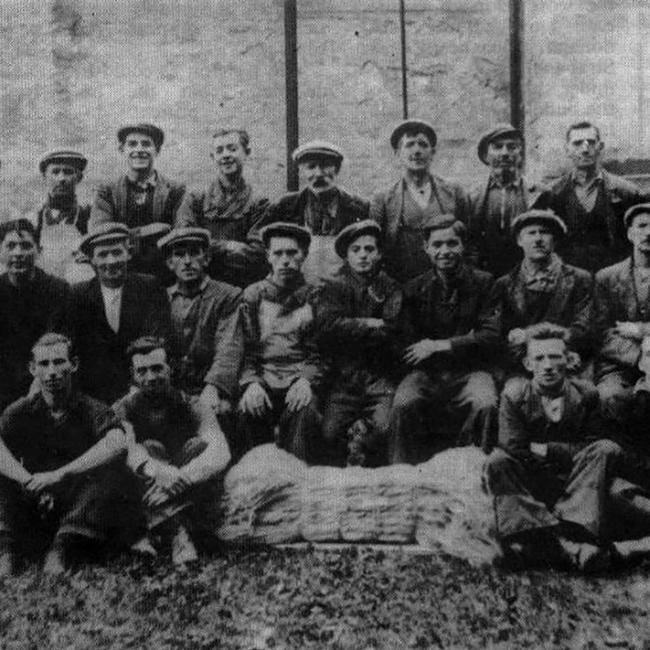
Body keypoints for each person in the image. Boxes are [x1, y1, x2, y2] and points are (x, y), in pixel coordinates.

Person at [483, 323, 620, 571]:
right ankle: (563, 544)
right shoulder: (514, 394)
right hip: (531, 480)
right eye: (539, 358)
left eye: (555, 357)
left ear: (568, 361)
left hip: (575, 482)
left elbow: (590, 445)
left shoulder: (586, 393)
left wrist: (545, 449)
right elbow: (514, 448)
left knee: (606, 448)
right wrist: (561, 454)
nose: (547, 365)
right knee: (498, 461)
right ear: (527, 364)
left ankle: (566, 532)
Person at [0, 333, 129, 576]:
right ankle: (5, 552)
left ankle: (62, 550)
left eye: (59, 362)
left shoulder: (91, 408)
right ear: (32, 369)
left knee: (109, 470)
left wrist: (59, 475)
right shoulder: (20, 411)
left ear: (74, 364)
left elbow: (117, 442)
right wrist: (25, 479)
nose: (52, 372)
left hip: (77, 507)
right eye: (44, 364)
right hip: (33, 503)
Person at [388, 214, 499, 464]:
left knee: (485, 403)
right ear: (426, 248)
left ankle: (478, 475)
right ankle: (402, 477)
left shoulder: (484, 283)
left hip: (471, 370)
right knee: (404, 403)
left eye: (452, 243)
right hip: (427, 374)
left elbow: (490, 335)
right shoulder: (413, 289)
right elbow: (406, 341)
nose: (445, 251)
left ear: (464, 246)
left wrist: (440, 345)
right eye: (437, 245)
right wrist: (467, 339)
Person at [114, 337, 231, 566]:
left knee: (197, 446)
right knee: (148, 449)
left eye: (157, 368)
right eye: (142, 371)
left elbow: (221, 451)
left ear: (170, 369)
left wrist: (182, 479)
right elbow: (127, 449)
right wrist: (157, 470)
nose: (150, 378)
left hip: (183, 488)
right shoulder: (124, 408)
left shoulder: (191, 404)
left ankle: (163, 530)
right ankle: (178, 532)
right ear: (133, 374)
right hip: (147, 488)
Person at [316, 220, 402, 467]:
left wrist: (349, 327)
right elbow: (327, 329)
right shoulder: (333, 286)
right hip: (344, 376)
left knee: (385, 429)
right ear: (346, 255)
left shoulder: (390, 286)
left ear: (379, 253)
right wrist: (369, 323)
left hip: (380, 375)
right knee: (329, 433)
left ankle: (363, 441)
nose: (363, 255)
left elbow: (392, 330)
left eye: (369, 249)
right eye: (356, 250)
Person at [157, 227, 244, 458]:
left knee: (221, 414)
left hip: (210, 387)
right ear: (169, 263)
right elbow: (156, 347)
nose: (187, 261)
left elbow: (229, 346)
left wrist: (214, 387)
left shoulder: (228, 296)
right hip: (173, 388)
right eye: (179, 254)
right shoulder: (162, 298)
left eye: (195, 253)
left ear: (206, 258)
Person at [238, 222, 322, 461]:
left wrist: (306, 380)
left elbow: (320, 352)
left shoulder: (315, 295)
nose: (285, 260)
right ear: (268, 256)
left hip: (299, 378)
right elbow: (245, 350)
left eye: (292, 253)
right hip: (263, 376)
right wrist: (251, 383)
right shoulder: (253, 295)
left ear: (304, 255)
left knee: (305, 414)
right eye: (278, 253)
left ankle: (297, 487)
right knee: (247, 412)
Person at [71, 222, 170, 405]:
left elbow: (155, 338)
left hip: (143, 388)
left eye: (117, 252)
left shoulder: (150, 287)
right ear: (91, 259)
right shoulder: (79, 295)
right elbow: (77, 347)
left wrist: (136, 387)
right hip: (92, 392)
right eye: (102, 255)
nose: (111, 261)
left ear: (129, 254)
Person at [490, 209, 594, 373]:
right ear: (519, 240)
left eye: (544, 233)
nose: (538, 239)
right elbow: (500, 335)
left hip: (569, 362)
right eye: (531, 233)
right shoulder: (504, 284)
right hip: (521, 366)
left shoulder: (580, 279)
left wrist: (530, 336)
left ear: (555, 240)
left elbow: (584, 328)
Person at [252, 141, 368, 283]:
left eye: (325, 165)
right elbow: (257, 239)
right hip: (296, 287)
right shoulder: (285, 206)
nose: (318, 174)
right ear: (302, 172)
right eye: (311, 167)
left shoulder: (358, 207)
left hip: (343, 287)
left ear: (336, 169)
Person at [370, 119, 470, 282]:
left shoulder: (454, 192)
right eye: (409, 145)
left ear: (433, 152)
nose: (416, 151)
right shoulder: (383, 199)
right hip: (402, 284)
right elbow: (376, 248)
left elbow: (469, 241)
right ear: (397, 153)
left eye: (423, 145)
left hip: (446, 283)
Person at [547, 121, 646, 273]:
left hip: (612, 280)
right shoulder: (553, 193)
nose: (585, 149)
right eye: (577, 143)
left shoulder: (626, 192)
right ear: (567, 149)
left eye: (591, 143)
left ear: (600, 147)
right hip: (569, 280)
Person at [175, 128, 270, 287]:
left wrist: (209, 247)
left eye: (232, 149)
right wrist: (230, 246)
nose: (226, 155)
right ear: (213, 157)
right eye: (219, 151)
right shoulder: (196, 198)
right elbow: (184, 240)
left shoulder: (259, 202)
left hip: (244, 285)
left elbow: (258, 254)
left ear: (246, 153)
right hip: (201, 286)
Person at [90, 122, 185, 279]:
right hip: (120, 272)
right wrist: (144, 231)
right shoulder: (107, 190)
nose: (139, 150)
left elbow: (180, 232)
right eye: (132, 144)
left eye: (146, 144)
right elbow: (101, 232)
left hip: (163, 272)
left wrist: (126, 235)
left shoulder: (175, 190)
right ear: (123, 150)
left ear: (157, 150)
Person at [0, 219, 72, 410]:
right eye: (11, 246)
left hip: (48, 381)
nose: (18, 253)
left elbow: (59, 342)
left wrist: (39, 384)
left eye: (25, 246)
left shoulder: (58, 290)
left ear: (38, 250)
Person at [467, 124, 551, 277]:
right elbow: (470, 242)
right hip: (485, 275)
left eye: (512, 147)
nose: (505, 153)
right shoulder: (471, 197)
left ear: (520, 154)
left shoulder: (540, 194)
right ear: (486, 155)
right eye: (498, 147)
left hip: (528, 274)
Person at [593, 203, 650, 423]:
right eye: (642, 226)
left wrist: (641, 330)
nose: (648, 232)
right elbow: (600, 331)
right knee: (611, 397)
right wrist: (638, 357)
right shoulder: (607, 277)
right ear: (629, 233)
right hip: (619, 364)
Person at [26, 149, 94, 283]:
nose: (61, 178)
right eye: (55, 172)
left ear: (79, 177)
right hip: (43, 286)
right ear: (45, 176)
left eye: (68, 172)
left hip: (79, 287)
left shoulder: (89, 215)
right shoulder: (34, 218)